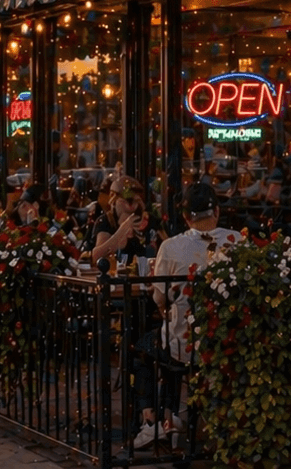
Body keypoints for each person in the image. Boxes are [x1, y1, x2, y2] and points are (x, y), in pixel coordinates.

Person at [133, 182, 241, 450]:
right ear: (216, 211)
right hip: (228, 342)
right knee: (165, 341)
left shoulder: (171, 247)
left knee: (143, 348)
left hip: (185, 345)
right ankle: (175, 418)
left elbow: (158, 298)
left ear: (185, 217)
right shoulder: (238, 241)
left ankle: (152, 420)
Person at [87, 176, 160, 271]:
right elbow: (96, 255)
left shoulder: (150, 220)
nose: (133, 205)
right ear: (114, 200)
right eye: (129, 200)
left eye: (137, 200)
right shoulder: (107, 221)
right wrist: (121, 231)